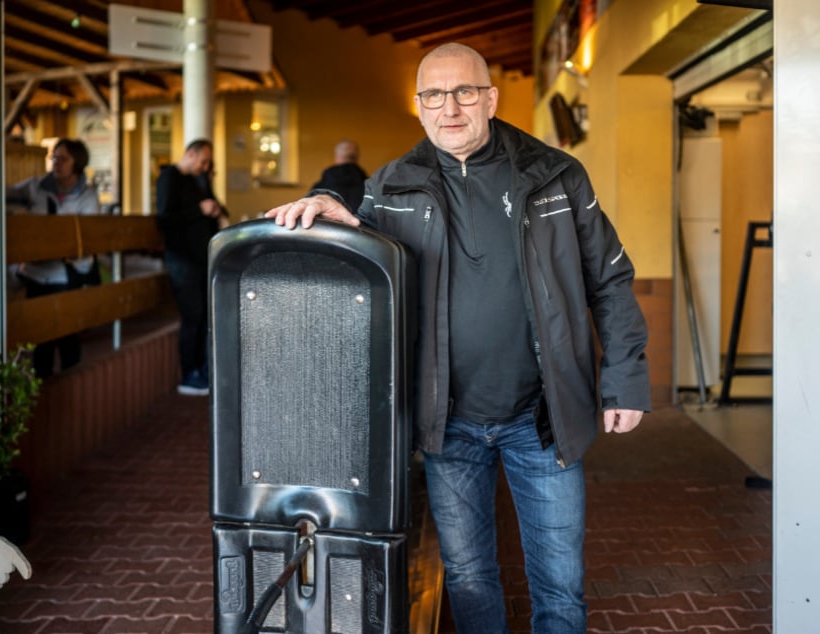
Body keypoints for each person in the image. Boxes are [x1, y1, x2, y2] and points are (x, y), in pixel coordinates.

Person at [266, 43, 651, 633]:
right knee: (469, 578)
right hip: (450, 425)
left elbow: (610, 278)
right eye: (434, 95)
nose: (451, 107)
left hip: (542, 417)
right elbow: (359, 252)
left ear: (490, 98)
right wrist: (328, 203)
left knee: (559, 583)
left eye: (465, 91)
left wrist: (624, 380)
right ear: (418, 106)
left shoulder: (555, 174)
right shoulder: (392, 185)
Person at [7, 138, 101, 378]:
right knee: (41, 334)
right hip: (37, 273)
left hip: (69, 273)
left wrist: (52, 246)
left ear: (77, 163)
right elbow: (6, 195)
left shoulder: (88, 196)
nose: (56, 163)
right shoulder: (36, 186)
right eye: (54, 157)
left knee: (67, 330)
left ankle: (75, 384)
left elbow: (89, 237)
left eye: (63, 158)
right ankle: (43, 384)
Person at [155, 139, 227, 396]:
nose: (206, 166)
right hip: (181, 258)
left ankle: (201, 371)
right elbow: (164, 217)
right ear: (190, 154)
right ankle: (188, 375)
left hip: (201, 258)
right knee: (192, 315)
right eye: (203, 161)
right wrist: (199, 208)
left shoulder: (198, 180)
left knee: (204, 315)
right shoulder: (168, 178)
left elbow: (213, 209)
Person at [311, 139, 368, 212]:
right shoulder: (369, 186)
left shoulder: (320, 187)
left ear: (337, 157)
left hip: (327, 223)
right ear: (357, 157)